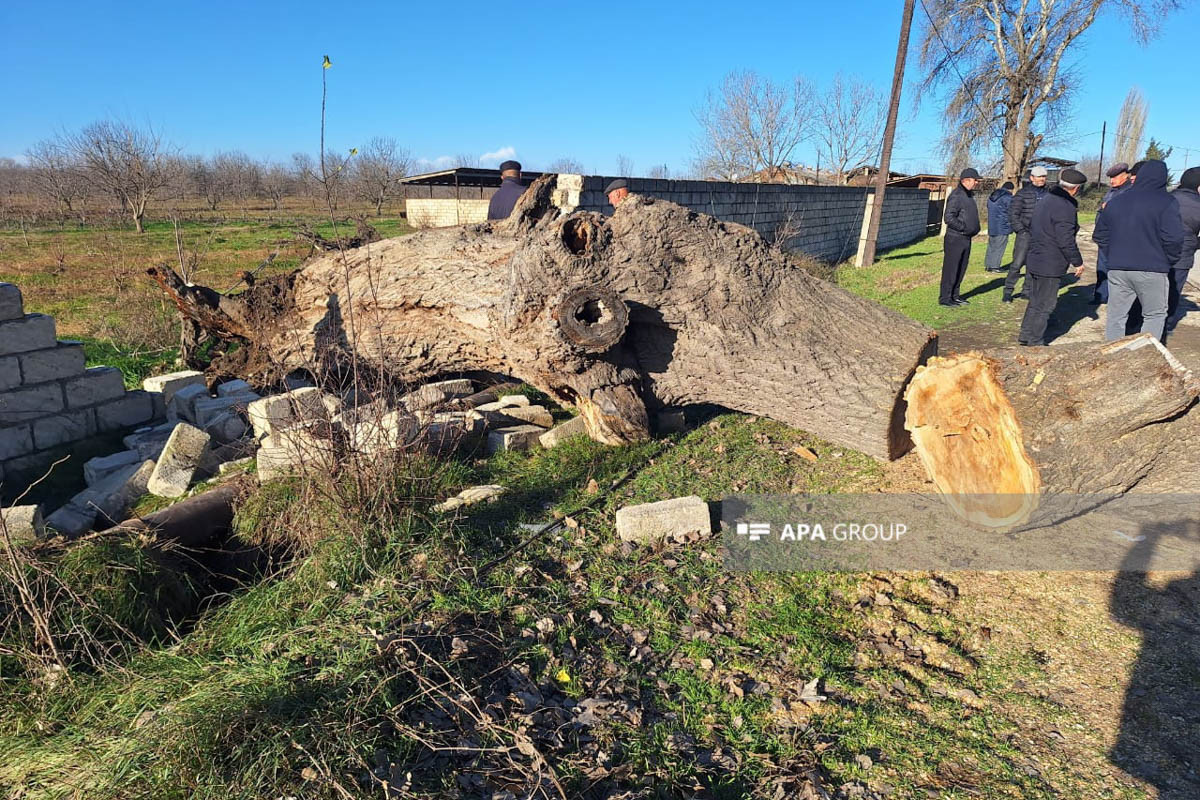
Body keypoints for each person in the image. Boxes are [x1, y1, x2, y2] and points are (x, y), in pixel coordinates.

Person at [1093, 159, 1185, 342]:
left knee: (1116, 316)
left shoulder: (1116, 201)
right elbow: (1174, 239)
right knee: (1154, 315)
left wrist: (1114, 254)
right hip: (1152, 268)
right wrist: (1169, 259)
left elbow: (1100, 234)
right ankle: (1145, 355)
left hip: (1118, 268)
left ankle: (1113, 356)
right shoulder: (1167, 202)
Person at [1017, 169, 1087, 346]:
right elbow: (1065, 238)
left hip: (1035, 256)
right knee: (1045, 305)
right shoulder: (1065, 206)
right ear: (1076, 188)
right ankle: (1035, 341)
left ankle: (1026, 335)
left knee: (1035, 301)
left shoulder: (1046, 199)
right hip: (1050, 261)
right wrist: (1077, 261)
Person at [1004, 165, 1049, 302]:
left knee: (1033, 264)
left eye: (1043, 177)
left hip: (1041, 234)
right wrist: (1020, 229)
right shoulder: (1023, 193)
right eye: (1038, 177)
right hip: (1025, 234)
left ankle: (1027, 290)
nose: (1041, 179)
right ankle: (1008, 291)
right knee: (1017, 263)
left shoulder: (1049, 194)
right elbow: (1013, 213)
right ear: (1032, 178)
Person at [1089, 162, 1133, 305]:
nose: (1111, 181)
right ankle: (1101, 296)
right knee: (1102, 267)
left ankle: (1117, 299)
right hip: (1105, 237)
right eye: (1110, 178)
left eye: (1115, 177)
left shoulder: (1130, 192)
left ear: (1125, 176)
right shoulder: (1112, 191)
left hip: (1118, 237)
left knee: (1117, 270)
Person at [939, 168, 982, 307]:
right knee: (951, 269)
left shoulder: (968, 196)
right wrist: (964, 227)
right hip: (955, 238)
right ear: (965, 180)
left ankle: (955, 295)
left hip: (966, 238)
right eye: (974, 180)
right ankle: (945, 298)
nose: (976, 183)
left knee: (961, 268)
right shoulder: (957, 196)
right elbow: (949, 218)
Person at [1167, 166, 1200, 326]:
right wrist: (1194, 242)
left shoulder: (1167, 198)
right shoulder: (1198, 205)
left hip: (1158, 254)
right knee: (1172, 293)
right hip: (1182, 256)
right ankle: (1165, 327)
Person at [984, 181, 1015, 272]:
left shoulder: (992, 196)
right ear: (1010, 189)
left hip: (992, 224)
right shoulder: (1007, 197)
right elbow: (1011, 211)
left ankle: (988, 265)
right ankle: (995, 266)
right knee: (1000, 246)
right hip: (1002, 225)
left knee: (992, 245)